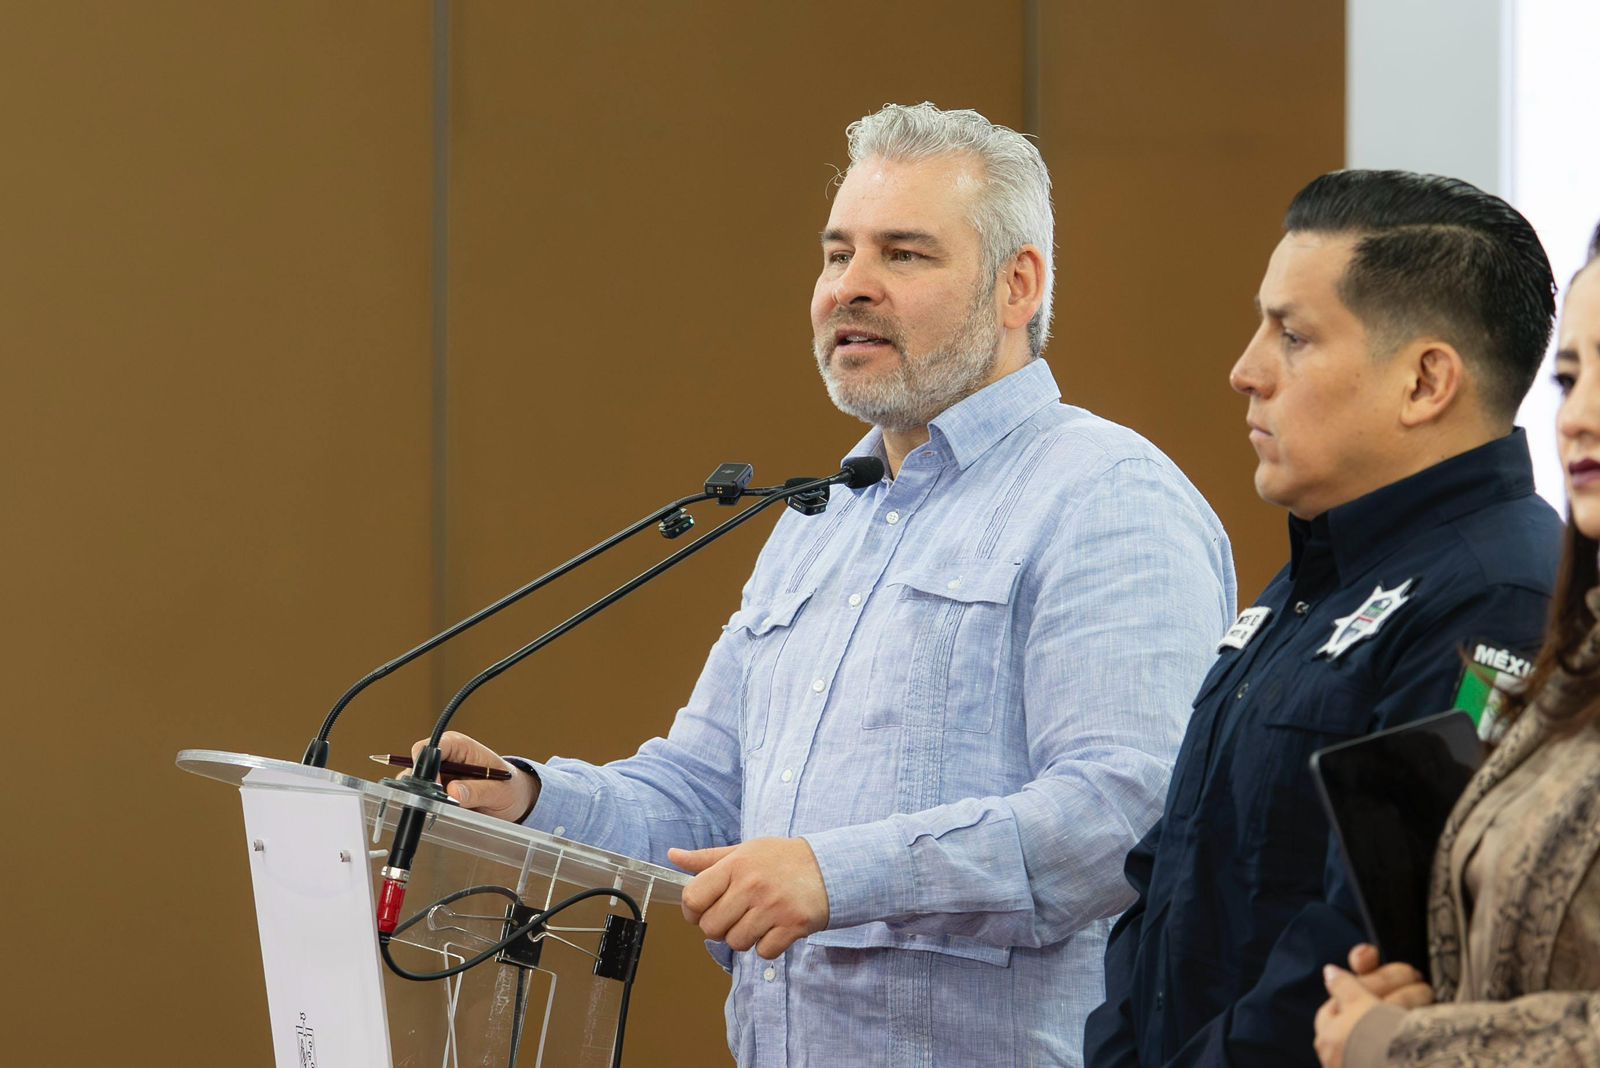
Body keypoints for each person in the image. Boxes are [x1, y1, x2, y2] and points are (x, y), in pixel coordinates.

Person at [422, 102, 1235, 1066]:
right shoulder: (821, 520)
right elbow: (702, 797)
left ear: (1019, 285)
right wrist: (527, 796)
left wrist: (835, 875)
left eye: (904, 254)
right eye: (835, 253)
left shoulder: (1106, 498)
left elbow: (1129, 810)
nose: (850, 288)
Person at [1084, 170, 1565, 1067]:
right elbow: (1162, 871)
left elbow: (1376, 940)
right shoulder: (1319, 575)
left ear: (1426, 381)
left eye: (1293, 335)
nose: (1245, 370)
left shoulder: (1497, 596)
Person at [1315, 221, 1600, 1067]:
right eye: (1571, 378)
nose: (1579, 417)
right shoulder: (1576, 664)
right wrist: (1419, 993)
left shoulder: (1490, 582)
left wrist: (1412, 1044)